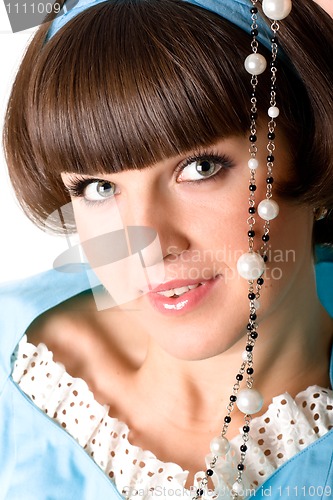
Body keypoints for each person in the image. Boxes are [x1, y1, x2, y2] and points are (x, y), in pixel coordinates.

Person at [1, 0, 333, 498]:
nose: (146, 247)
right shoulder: (17, 357)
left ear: (309, 147)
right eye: (97, 187)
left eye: (200, 167)